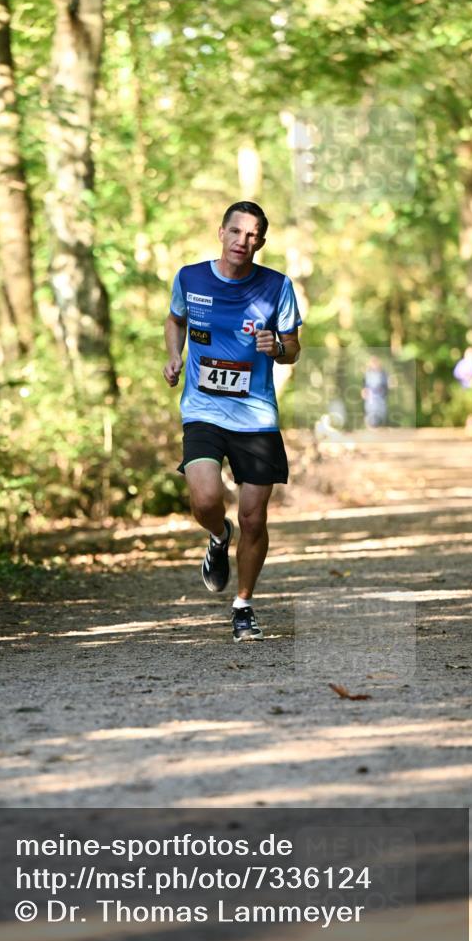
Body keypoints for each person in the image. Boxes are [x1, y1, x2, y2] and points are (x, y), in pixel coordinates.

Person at [163, 201, 302, 642]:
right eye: (236, 232)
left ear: (261, 241)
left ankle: (243, 606)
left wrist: (277, 347)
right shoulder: (190, 277)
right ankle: (219, 536)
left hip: (256, 416)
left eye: (253, 235)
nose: (244, 241)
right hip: (203, 409)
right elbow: (174, 319)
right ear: (221, 233)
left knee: (255, 518)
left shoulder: (277, 287)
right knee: (205, 501)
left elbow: (294, 346)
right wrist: (174, 355)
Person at [361, 356, 389, 428]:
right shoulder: (367, 374)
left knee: (380, 410)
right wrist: (364, 391)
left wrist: (384, 391)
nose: (374, 365)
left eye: (376, 363)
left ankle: (379, 425)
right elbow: (364, 385)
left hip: (380, 395)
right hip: (370, 395)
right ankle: (370, 425)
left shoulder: (383, 373)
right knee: (370, 410)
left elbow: (386, 385)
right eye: (373, 363)